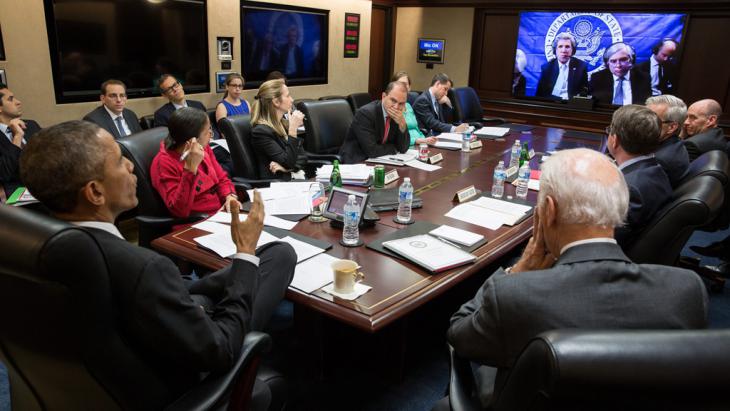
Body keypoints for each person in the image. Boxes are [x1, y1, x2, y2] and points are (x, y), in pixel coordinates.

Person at [19, 120, 296, 409]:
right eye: (119, 160)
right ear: (95, 193)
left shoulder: (42, 248)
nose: (130, 165)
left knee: (276, 253)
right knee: (270, 257)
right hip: (185, 376)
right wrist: (245, 250)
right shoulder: (143, 267)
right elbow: (221, 349)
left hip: (137, 346)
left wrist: (187, 299)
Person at [442, 148, 707, 410]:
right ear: (621, 207)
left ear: (548, 210)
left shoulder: (516, 294)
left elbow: (460, 335)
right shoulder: (687, 290)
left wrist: (518, 270)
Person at [151, 107, 237, 218]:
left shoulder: (204, 148)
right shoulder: (163, 163)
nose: (211, 134)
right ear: (192, 141)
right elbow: (179, 211)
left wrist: (229, 196)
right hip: (195, 223)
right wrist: (190, 169)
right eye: (208, 131)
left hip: (221, 213)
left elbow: (222, 178)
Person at [606, 104, 672, 248]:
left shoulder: (630, 189)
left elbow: (607, 238)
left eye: (609, 130)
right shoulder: (654, 169)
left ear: (615, 140)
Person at [338, 81, 411, 164]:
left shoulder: (397, 116)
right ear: (384, 96)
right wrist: (393, 148)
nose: (396, 107)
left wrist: (403, 125)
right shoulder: (365, 114)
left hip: (380, 160)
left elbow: (403, 148)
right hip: (357, 161)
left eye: (401, 103)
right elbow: (372, 151)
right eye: (393, 100)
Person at [250, 79, 306, 180]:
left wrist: (286, 169)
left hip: (289, 179)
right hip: (275, 185)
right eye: (288, 96)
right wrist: (293, 129)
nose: (292, 100)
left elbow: (303, 158)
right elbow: (288, 162)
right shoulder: (261, 131)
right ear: (276, 102)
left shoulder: (283, 123)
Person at [0, 83, 41, 198]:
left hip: (46, 188)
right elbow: (3, 173)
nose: (18, 102)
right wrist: (17, 137)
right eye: (11, 99)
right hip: (16, 198)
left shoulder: (31, 125)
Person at [645, 94, 690, 187]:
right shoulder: (674, 144)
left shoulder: (659, 161)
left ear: (671, 127)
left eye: (651, 119)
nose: (642, 123)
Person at [535, 32, 589, 100]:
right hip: (551, 104)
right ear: (555, 50)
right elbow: (540, 94)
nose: (564, 50)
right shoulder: (547, 68)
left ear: (573, 50)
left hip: (571, 105)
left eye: (567, 47)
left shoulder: (581, 67)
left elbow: (584, 93)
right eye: (560, 46)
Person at [392, 71, 437, 147]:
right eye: (399, 84)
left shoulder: (408, 105)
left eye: (405, 84)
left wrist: (425, 139)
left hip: (421, 144)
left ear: (409, 87)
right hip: (406, 146)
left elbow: (417, 129)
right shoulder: (393, 107)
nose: (403, 87)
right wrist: (417, 140)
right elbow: (395, 137)